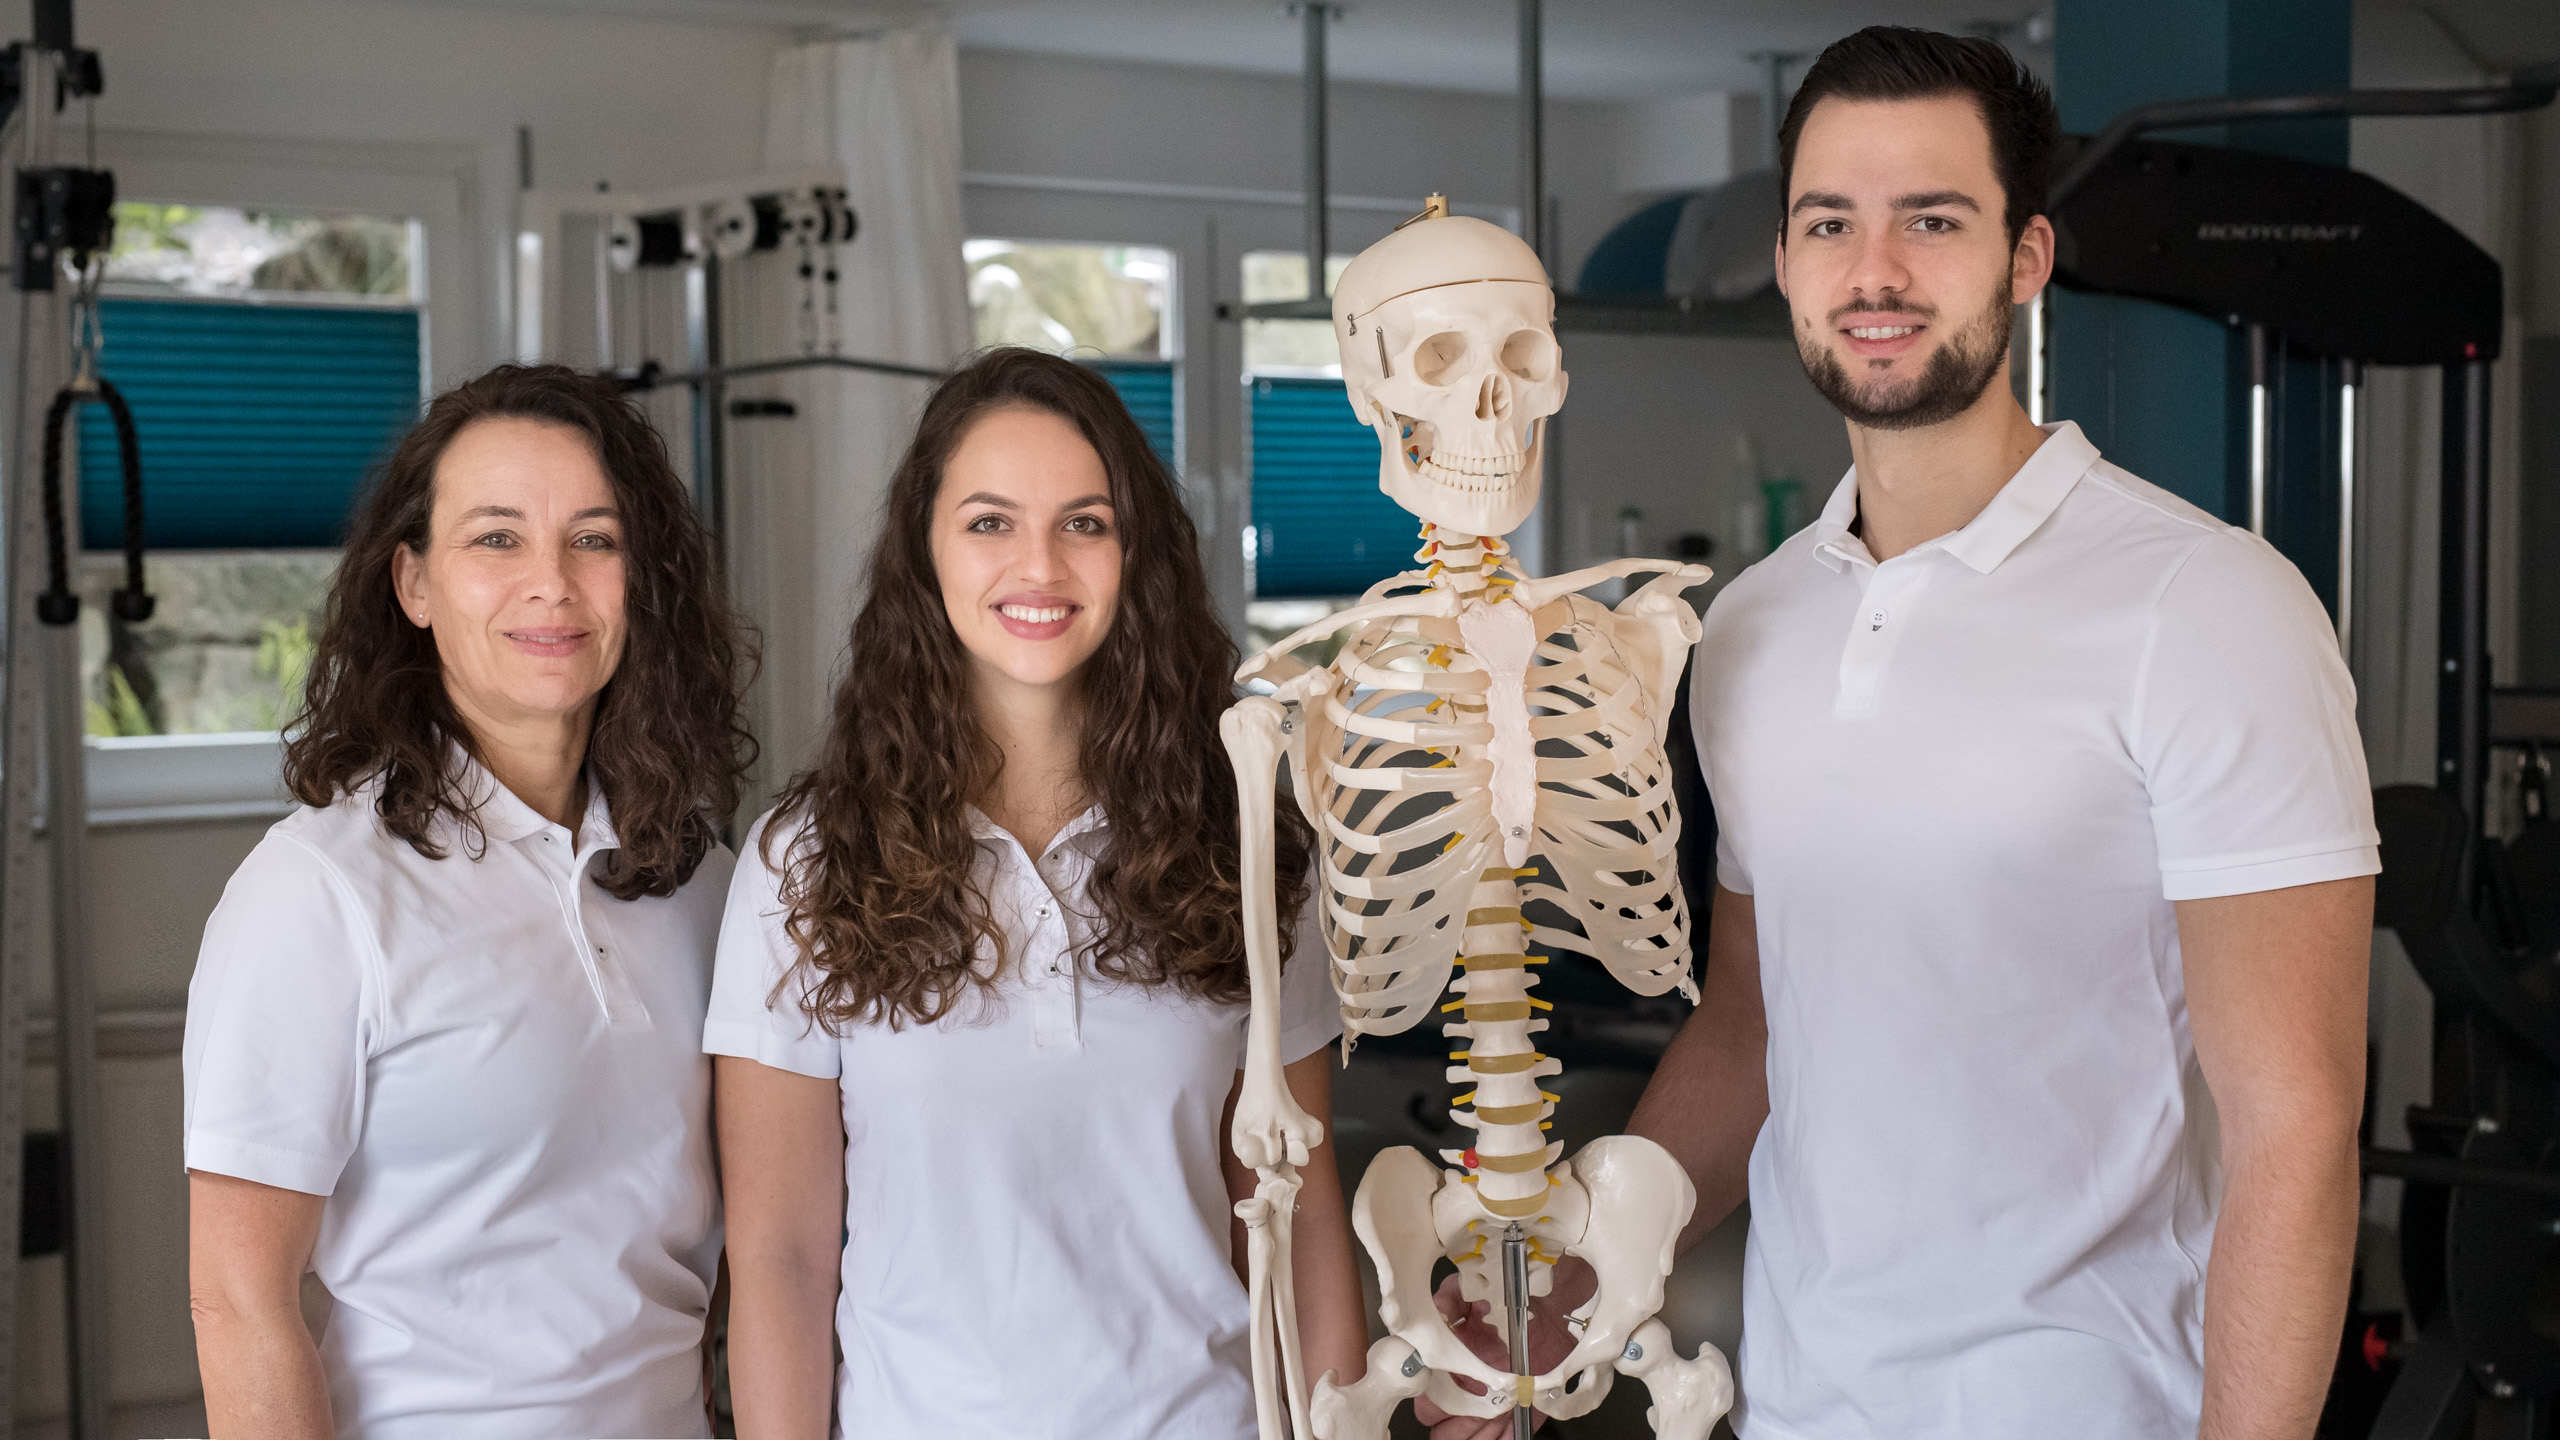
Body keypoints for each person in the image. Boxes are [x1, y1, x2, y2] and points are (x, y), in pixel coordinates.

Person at [1430, 26, 2377, 1440]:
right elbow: (1756, 1027)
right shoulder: (1750, 628)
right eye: (1831, 224)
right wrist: (1564, 1296)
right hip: (1805, 1404)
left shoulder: (2209, 606)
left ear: (2028, 257)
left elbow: (2293, 1136)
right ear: (1793, 261)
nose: (1875, 273)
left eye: (1933, 221)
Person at [712, 346, 1368, 1437]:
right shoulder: (804, 860)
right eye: (988, 522)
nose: (1040, 565)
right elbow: (778, 1255)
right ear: (923, 552)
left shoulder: (1248, 841)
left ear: (1135, 554)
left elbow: (1296, 1213)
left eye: (1085, 522)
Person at [183, 365, 754, 1439]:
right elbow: (238, 1299)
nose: (552, 583)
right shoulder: (316, 892)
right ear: (413, 584)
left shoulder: (706, 886)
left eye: (594, 538)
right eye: (496, 539)